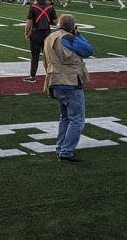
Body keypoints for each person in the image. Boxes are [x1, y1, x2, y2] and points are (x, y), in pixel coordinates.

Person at [42, 14, 93, 163]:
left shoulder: (49, 38)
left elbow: (45, 61)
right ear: (72, 27)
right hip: (70, 81)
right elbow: (88, 50)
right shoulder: (68, 38)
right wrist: (79, 35)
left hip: (54, 80)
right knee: (77, 119)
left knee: (65, 117)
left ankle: (61, 147)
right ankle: (66, 151)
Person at [23, 0, 57, 82]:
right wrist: (47, 20)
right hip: (47, 34)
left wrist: (26, 33)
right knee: (47, 57)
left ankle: (32, 77)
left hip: (36, 34)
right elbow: (55, 22)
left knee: (35, 57)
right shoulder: (50, 7)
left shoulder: (33, 7)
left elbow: (29, 23)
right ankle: (50, 77)